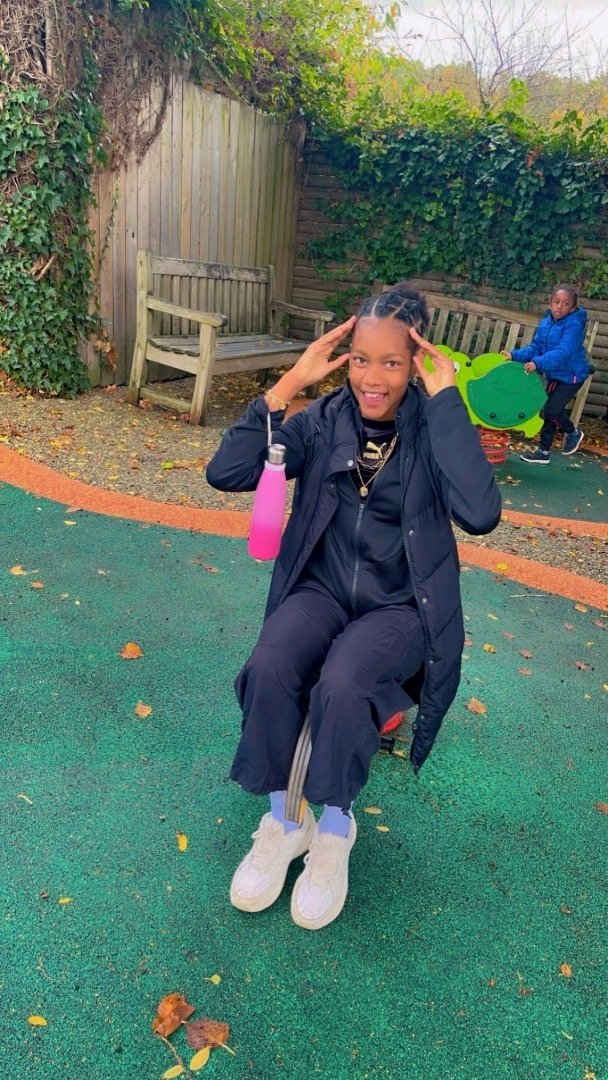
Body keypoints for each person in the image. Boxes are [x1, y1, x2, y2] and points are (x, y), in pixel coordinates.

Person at [206, 283, 502, 931]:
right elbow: (225, 473)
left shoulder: (433, 429)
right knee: (269, 666)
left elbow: (480, 513)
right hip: (321, 590)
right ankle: (286, 821)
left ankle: (335, 830)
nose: (372, 378)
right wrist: (289, 384)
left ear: (416, 360)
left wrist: (447, 400)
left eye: (391, 362)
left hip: (398, 606)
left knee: (343, 683)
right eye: (361, 359)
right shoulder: (321, 421)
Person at [502, 284, 590, 464]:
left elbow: (563, 352)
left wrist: (538, 363)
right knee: (549, 412)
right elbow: (536, 348)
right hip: (554, 375)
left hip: (571, 376)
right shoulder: (545, 323)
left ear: (572, 308)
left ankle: (573, 433)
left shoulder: (573, 325)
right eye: (556, 302)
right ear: (550, 303)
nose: (559, 306)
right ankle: (543, 452)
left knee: (553, 409)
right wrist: (514, 355)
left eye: (565, 303)